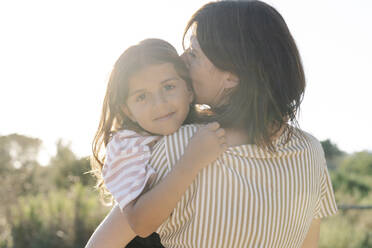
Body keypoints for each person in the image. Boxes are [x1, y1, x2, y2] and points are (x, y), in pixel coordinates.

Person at [89, 1, 338, 247]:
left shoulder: (180, 147)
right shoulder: (311, 152)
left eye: (194, 53)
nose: (181, 57)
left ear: (231, 77)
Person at [85, 39, 227, 248]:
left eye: (168, 87)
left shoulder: (199, 128)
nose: (159, 104)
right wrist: (192, 159)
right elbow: (137, 225)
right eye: (142, 97)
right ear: (127, 110)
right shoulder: (128, 147)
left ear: (189, 90)